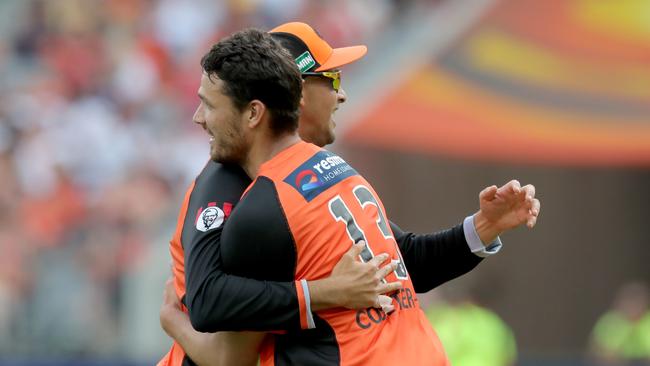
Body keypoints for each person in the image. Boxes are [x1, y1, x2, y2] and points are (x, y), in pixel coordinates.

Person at [159, 23, 540, 365]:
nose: (342, 95)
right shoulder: (231, 180)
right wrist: (324, 292)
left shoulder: (320, 174)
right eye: (334, 79)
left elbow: (399, 264)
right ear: (298, 89)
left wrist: (482, 228)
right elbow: (221, 332)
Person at [589, 281, 650, 365]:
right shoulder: (611, 322)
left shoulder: (647, 321)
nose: (633, 307)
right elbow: (601, 352)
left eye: (637, 302)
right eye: (629, 302)